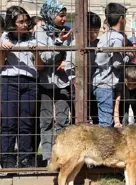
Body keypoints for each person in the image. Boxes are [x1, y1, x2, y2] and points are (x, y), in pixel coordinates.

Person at [0, 5, 38, 168]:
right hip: (9, 81)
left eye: (26, 21)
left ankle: (26, 157)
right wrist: (3, 51)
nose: (24, 24)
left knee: (26, 122)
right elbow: (1, 65)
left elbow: (40, 67)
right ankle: (7, 157)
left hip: (29, 81)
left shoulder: (32, 38)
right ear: (12, 23)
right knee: (9, 122)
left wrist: (36, 52)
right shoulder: (4, 37)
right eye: (20, 22)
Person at [37, 0, 74, 165]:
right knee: (46, 121)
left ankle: (61, 157)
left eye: (65, 15)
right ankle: (47, 157)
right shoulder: (41, 34)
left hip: (63, 82)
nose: (64, 19)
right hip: (45, 83)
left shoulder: (69, 31)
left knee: (62, 120)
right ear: (50, 15)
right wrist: (58, 43)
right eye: (61, 15)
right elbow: (45, 59)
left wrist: (67, 61)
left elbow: (75, 52)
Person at [92, 2, 128, 127]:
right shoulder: (117, 37)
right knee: (106, 125)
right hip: (106, 84)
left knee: (103, 121)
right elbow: (117, 64)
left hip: (99, 82)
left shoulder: (105, 35)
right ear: (121, 19)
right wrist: (129, 56)